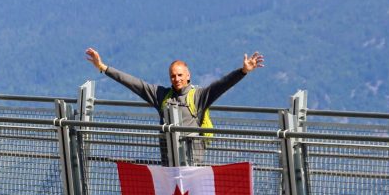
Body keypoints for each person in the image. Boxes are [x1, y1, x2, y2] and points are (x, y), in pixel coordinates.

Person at [84, 47, 264, 165]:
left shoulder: (199, 96)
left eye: (179, 75)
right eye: (173, 76)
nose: (176, 79)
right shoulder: (161, 95)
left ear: (188, 76)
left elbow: (222, 84)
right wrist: (103, 67)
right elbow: (134, 83)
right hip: (169, 163)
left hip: (193, 164)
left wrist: (243, 72)